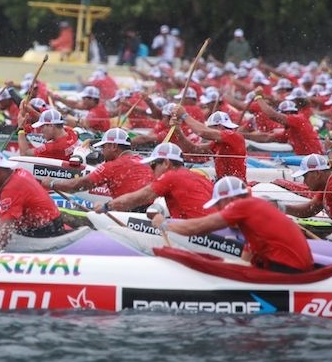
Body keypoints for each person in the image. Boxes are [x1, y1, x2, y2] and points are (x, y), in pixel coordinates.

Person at [151, 176, 315, 272]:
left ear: (229, 200)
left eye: (218, 204)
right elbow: (245, 260)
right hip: (293, 268)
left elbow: (197, 228)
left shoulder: (242, 206)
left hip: (289, 271)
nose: (217, 209)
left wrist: (165, 224)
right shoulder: (253, 214)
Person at [42, 128, 154, 212]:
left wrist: (52, 184)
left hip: (130, 213)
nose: (102, 151)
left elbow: (80, 184)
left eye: (103, 147)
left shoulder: (112, 166)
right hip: (149, 211)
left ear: (114, 147)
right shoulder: (143, 160)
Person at [103, 143, 213, 218]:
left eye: (153, 165)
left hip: (196, 235)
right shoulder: (201, 177)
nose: (151, 171)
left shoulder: (171, 177)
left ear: (166, 163)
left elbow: (137, 198)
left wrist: (106, 206)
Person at [172, 110, 248, 182]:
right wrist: (178, 131)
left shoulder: (233, 136)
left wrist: (184, 115)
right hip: (223, 182)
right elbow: (192, 149)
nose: (208, 130)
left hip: (235, 184)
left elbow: (202, 132)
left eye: (209, 128)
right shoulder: (216, 143)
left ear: (219, 126)